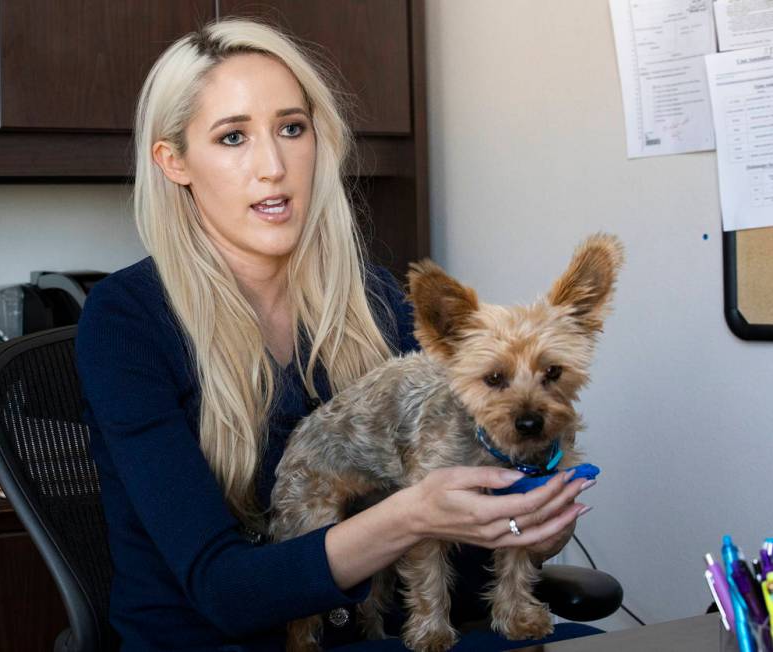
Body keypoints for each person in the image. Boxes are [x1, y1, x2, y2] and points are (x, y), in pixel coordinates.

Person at [76, 18, 601, 652]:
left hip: (379, 634)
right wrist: (409, 513)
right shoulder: (126, 322)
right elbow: (223, 591)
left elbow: (447, 553)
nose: (273, 165)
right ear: (174, 162)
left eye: (291, 129)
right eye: (233, 137)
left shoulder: (374, 300)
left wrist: (527, 528)